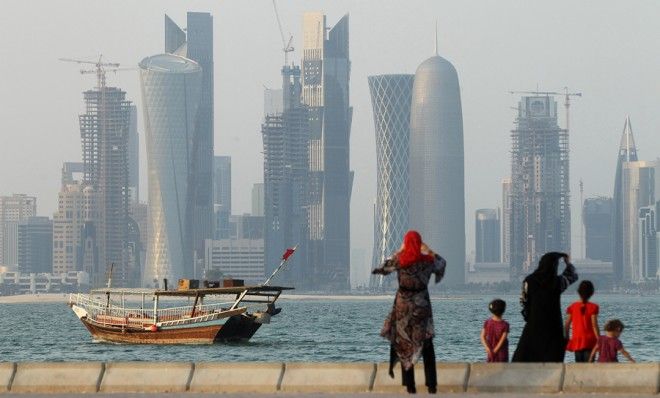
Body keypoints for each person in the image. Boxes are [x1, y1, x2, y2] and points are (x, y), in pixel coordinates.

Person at [372, 230, 447, 394]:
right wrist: (428, 250)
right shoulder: (427, 261)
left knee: (405, 344)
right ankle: (432, 385)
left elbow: (383, 268)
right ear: (420, 244)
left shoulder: (401, 259)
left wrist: (399, 250)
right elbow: (441, 263)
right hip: (422, 305)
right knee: (426, 344)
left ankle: (410, 385)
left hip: (403, 306)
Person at [512, 252, 578, 362]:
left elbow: (523, 301)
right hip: (553, 326)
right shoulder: (556, 282)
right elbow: (573, 276)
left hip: (534, 325)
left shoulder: (529, 281)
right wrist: (568, 263)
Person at [565, 280, 600, 362]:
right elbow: (594, 325)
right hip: (590, 341)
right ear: (591, 293)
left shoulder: (573, 307)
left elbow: (566, 325)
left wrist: (567, 338)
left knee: (579, 367)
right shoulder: (593, 307)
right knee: (589, 367)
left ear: (579, 292)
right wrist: (599, 340)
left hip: (577, 340)